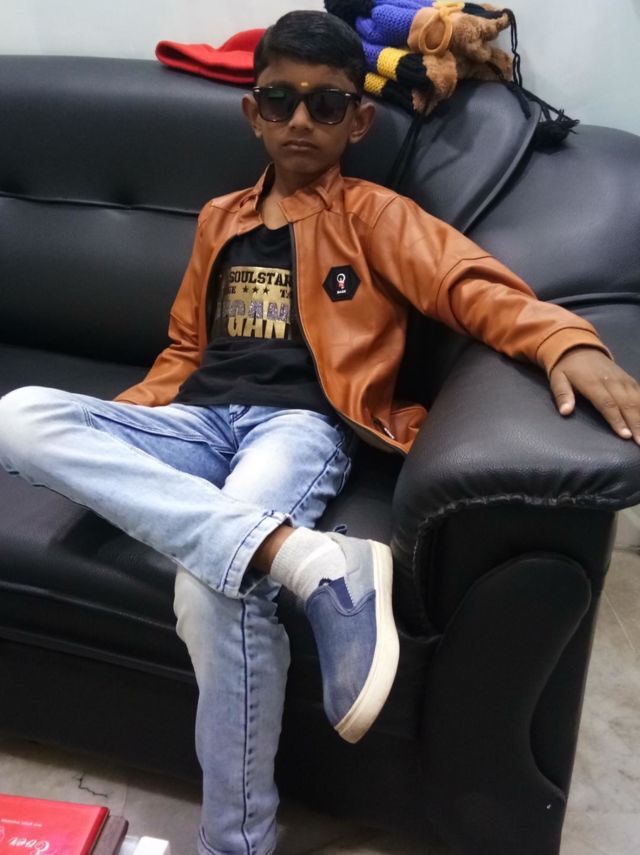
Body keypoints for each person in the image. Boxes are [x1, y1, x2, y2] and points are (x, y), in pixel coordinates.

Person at [0, 10, 639, 855]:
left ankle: (236, 842)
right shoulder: (220, 219)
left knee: (210, 587)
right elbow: (185, 346)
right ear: (253, 113)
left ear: (358, 120)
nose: (301, 120)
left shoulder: (375, 214)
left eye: (326, 104)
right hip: (194, 419)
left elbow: (471, 284)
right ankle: (305, 559)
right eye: (280, 100)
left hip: (298, 425)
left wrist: (565, 340)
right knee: (18, 415)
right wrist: (134, 427)